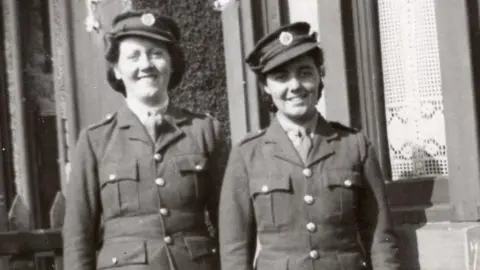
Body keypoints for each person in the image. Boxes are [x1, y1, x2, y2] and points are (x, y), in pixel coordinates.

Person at [219, 22, 400, 270]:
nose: (295, 86)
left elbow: (381, 237)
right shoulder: (247, 154)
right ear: (265, 86)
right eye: (281, 77)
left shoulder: (355, 146)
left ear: (319, 76)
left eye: (305, 72)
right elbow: (235, 251)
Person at [63, 9, 225, 270]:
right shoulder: (96, 140)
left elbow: (228, 223)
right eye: (133, 56)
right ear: (116, 70)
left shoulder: (204, 131)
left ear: (171, 65)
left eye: (156, 54)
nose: (146, 65)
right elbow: (78, 236)